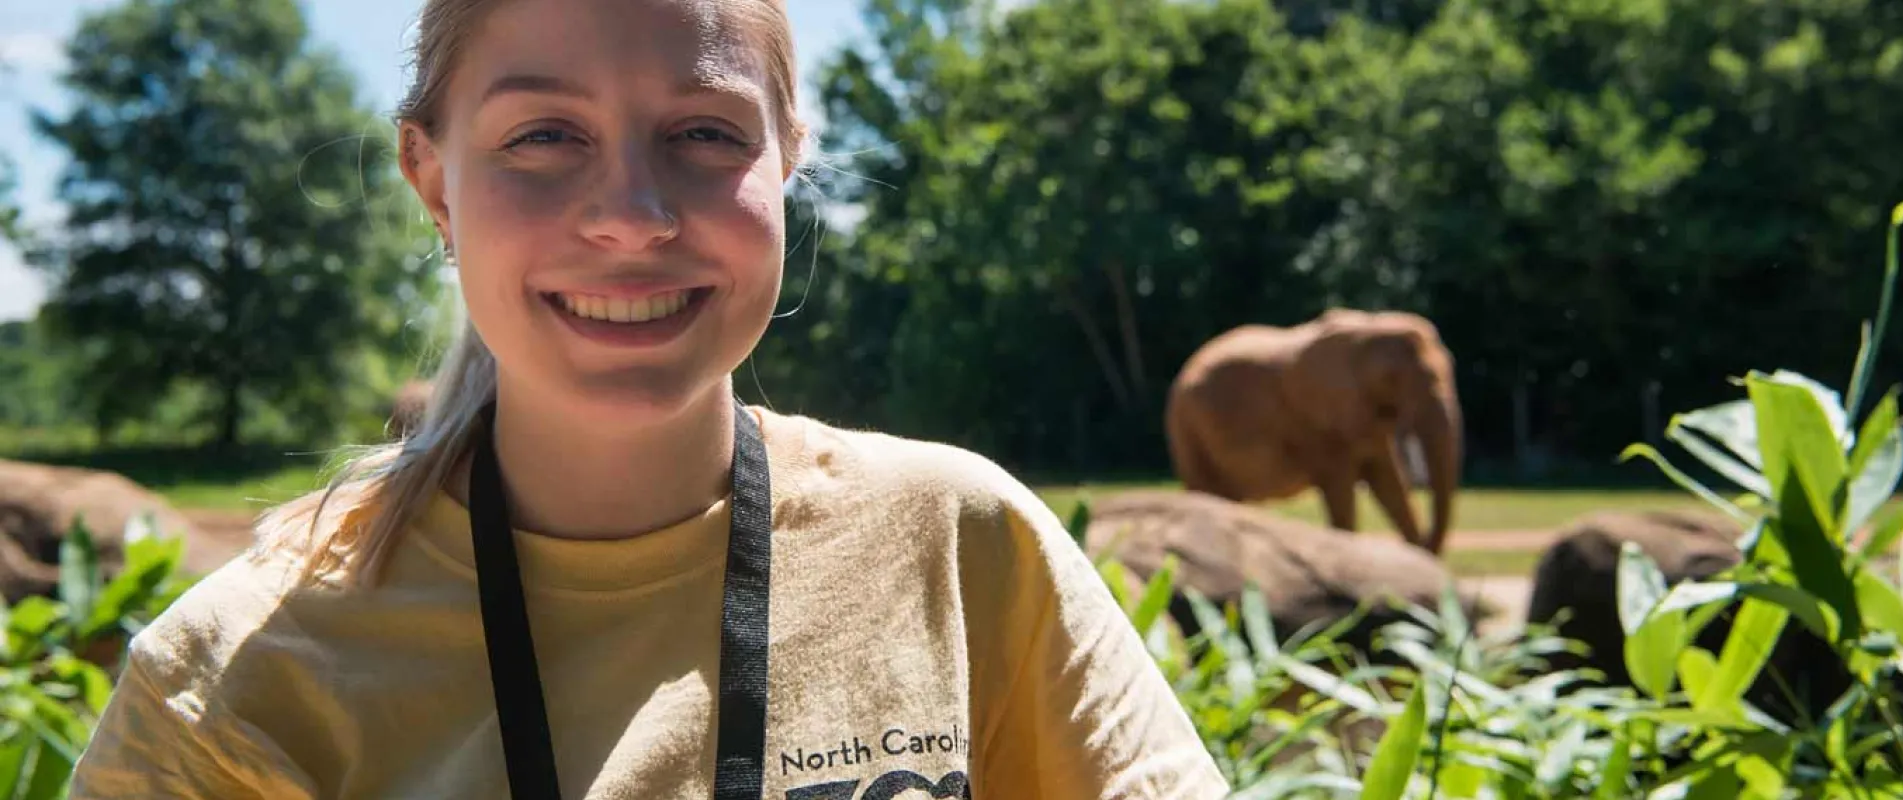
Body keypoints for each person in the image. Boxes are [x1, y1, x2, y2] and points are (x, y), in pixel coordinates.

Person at [67, 0, 1229, 797]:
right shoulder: (232, 681)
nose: (632, 212)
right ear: (432, 181)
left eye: (702, 133)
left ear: (787, 158)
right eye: (544, 135)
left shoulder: (964, 545)